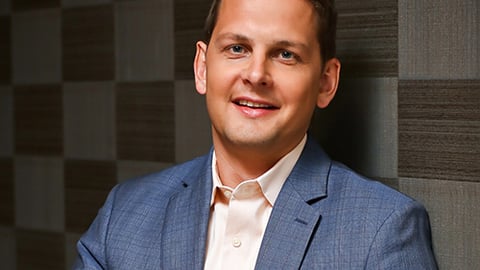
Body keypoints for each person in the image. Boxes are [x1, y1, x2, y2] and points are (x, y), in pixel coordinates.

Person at [74, 0, 438, 269]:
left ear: (326, 82)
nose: (256, 74)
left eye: (284, 54)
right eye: (237, 48)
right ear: (202, 67)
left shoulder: (384, 231)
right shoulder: (122, 215)